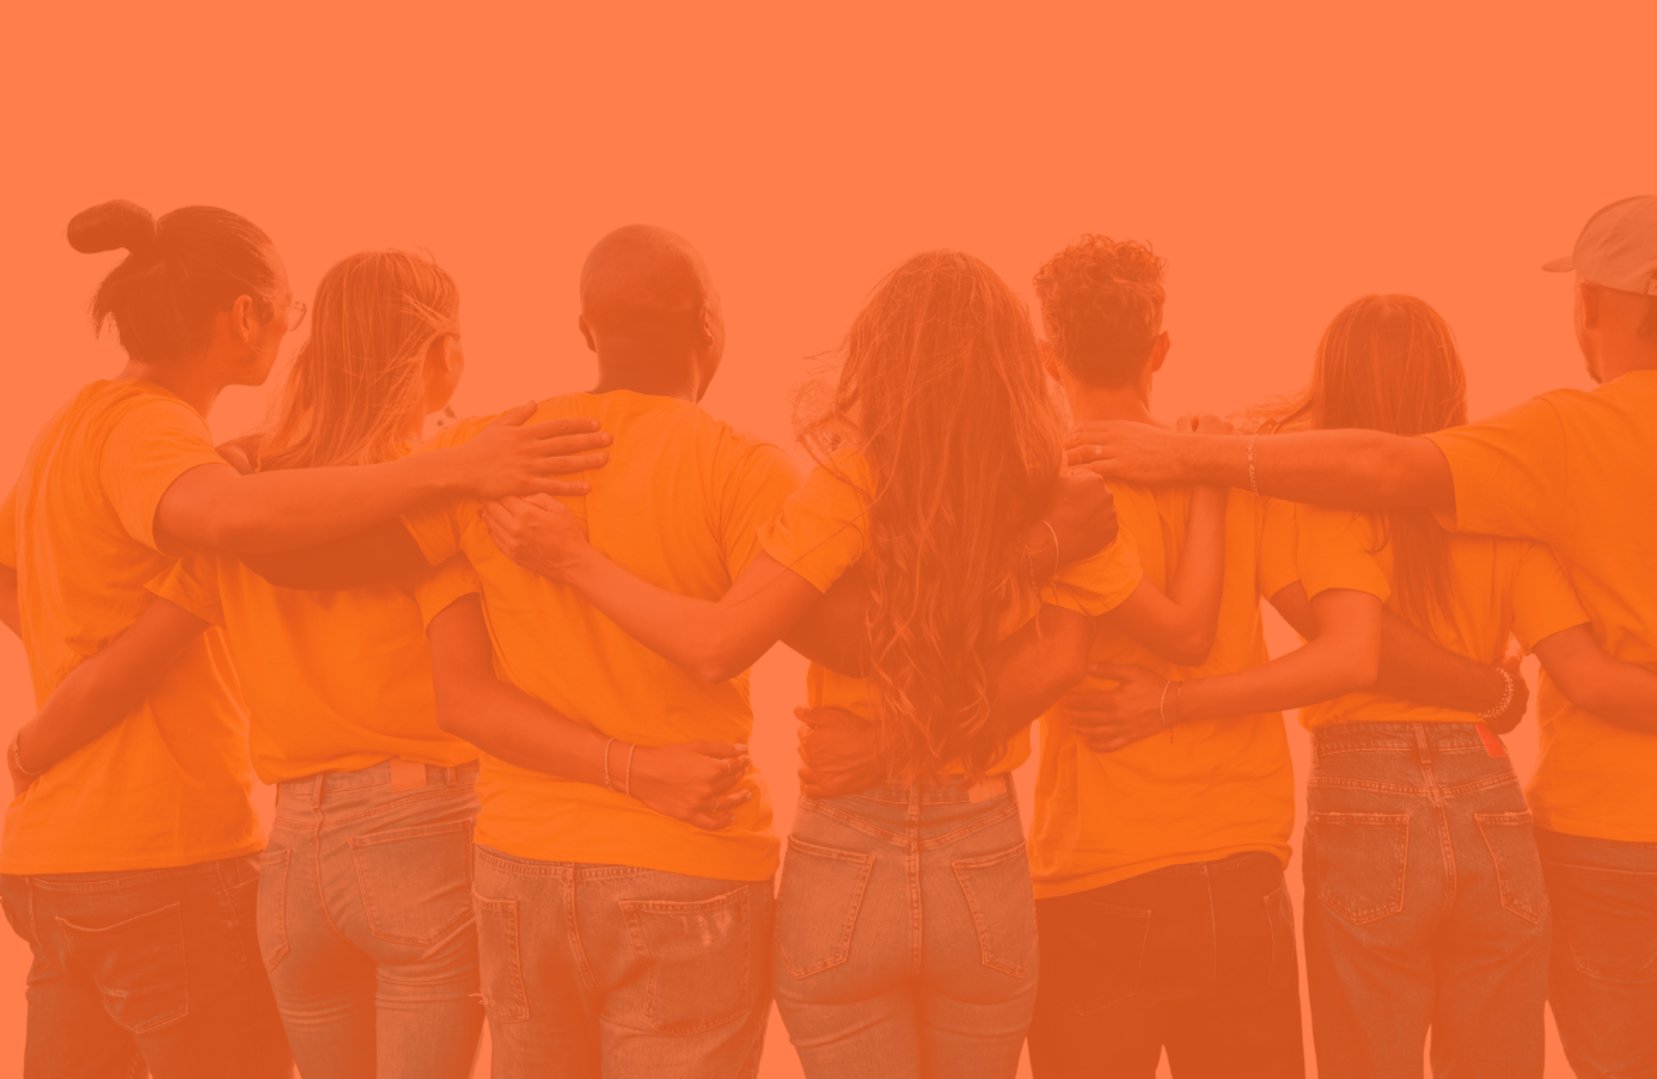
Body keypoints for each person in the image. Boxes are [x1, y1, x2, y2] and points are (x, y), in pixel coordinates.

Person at [1063, 196, 1657, 1077]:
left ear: (1592, 302)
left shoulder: (1557, 438)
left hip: (1593, 831)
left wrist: (1196, 454)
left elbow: (1386, 491)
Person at [476, 249, 1214, 1079]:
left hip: (846, 852)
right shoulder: (1059, 493)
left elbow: (721, 642)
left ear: (877, 360)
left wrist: (573, 559)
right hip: (982, 850)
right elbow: (1056, 665)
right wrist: (1032, 555)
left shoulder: (848, 485)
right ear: (1016, 363)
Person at [0, 202, 607, 1079]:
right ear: (243, 315)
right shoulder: (167, 444)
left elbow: (59, 583)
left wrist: (52, 681)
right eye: (286, 305)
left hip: (71, 859)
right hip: (171, 851)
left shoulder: (78, 427)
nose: (292, 329)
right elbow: (236, 520)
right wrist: (452, 465)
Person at [1021, 238, 1535, 1079]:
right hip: (1239, 869)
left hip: (1092, 871)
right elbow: (1351, 644)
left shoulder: (1044, 491)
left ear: (1046, 356)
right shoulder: (1233, 475)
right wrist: (1492, 686)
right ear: (1161, 350)